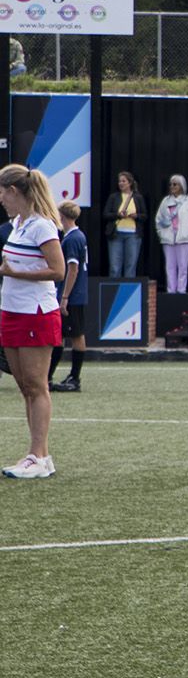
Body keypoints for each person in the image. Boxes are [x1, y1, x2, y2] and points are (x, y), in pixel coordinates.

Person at [0, 165, 66, 479]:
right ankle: (39, 455)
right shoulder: (18, 224)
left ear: (15, 191)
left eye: (3, 191)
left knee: (37, 386)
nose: (1, 198)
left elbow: (58, 271)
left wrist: (15, 274)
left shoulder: (42, 226)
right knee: (25, 387)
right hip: (11, 309)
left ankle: (37, 455)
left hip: (35, 311)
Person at [48, 202, 89, 393]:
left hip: (73, 295)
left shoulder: (72, 238)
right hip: (74, 294)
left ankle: (74, 378)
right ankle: (49, 376)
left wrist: (64, 296)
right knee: (60, 336)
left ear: (62, 215)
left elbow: (73, 268)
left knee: (75, 335)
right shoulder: (75, 236)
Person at [154, 174, 188, 294]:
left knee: (183, 267)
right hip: (168, 238)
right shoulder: (166, 201)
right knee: (170, 266)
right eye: (171, 184)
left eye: (175, 184)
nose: (172, 186)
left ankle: (181, 290)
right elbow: (158, 219)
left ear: (181, 186)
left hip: (184, 238)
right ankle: (171, 290)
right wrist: (161, 233)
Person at [102, 171, 146, 278]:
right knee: (114, 267)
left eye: (123, 181)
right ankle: (113, 291)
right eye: (119, 181)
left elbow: (144, 215)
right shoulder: (114, 197)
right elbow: (106, 214)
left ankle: (128, 293)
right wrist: (118, 215)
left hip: (133, 235)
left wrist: (136, 216)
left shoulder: (138, 197)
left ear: (130, 183)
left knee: (130, 266)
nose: (121, 183)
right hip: (116, 234)